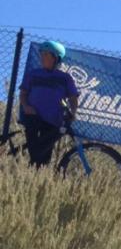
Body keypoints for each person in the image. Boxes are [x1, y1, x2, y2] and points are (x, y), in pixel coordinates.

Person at [18, 40, 79, 168]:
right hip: (33, 116)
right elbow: (23, 93)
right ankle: (29, 173)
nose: (42, 58)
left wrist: (73, 112)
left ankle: (37, 176)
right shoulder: (33, 74)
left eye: (46, 55)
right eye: (41, 55)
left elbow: (73, 98)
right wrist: (26, 106)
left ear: (56, 58)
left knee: (44, 156)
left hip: (52, 120)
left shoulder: (65, 78)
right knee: (35, 151)